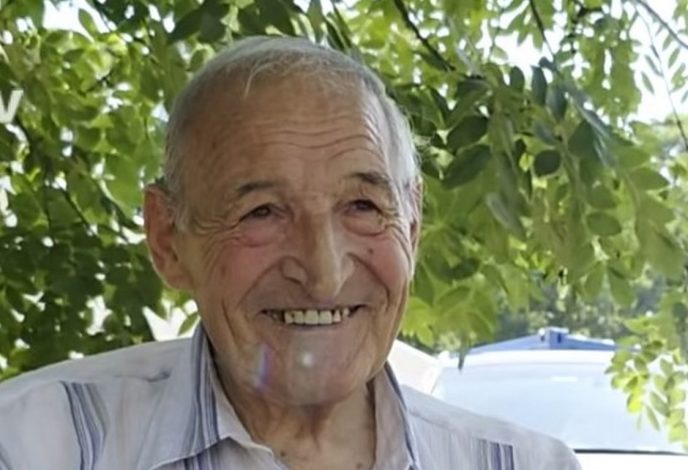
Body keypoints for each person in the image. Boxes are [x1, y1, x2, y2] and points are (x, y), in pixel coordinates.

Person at [0, 36, 581, 469]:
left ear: (412, 222)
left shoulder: (528, 465)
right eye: (262, 212)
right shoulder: (35, 447)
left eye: (362, 206)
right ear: (168, 239)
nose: (325, 275)